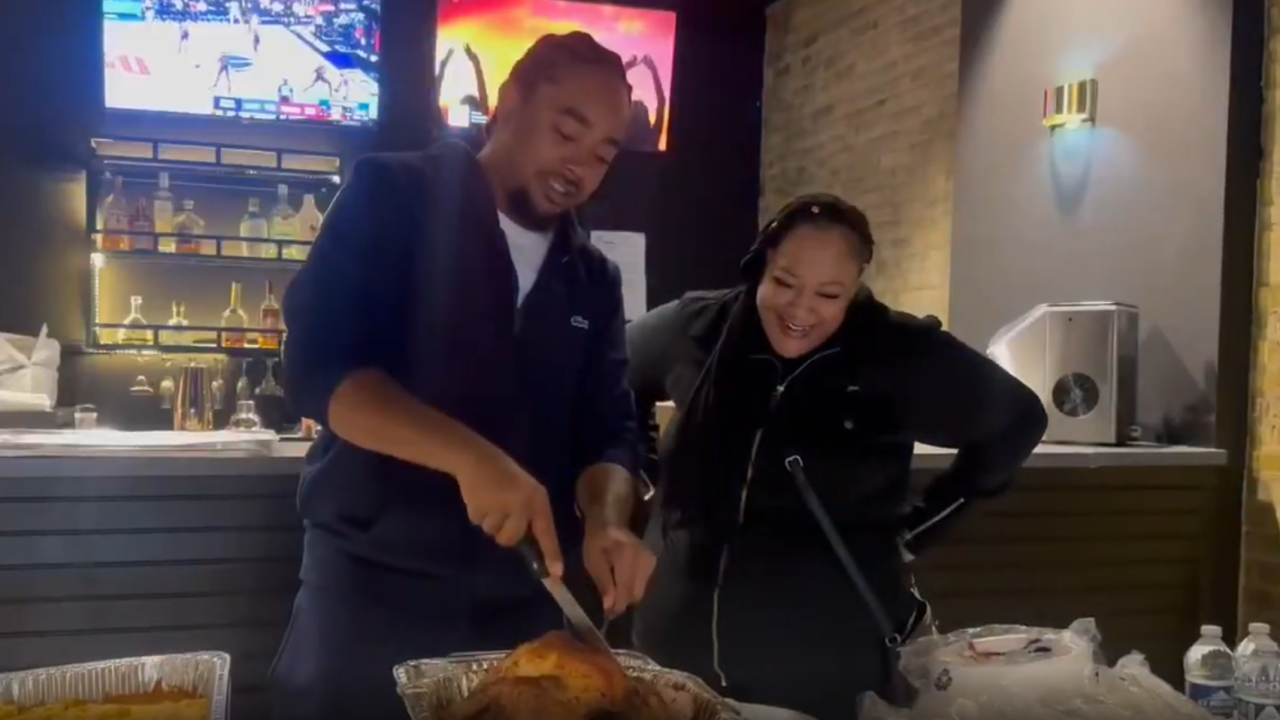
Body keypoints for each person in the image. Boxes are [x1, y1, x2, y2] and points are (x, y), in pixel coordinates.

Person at [267, 32, 656, 720]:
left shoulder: (593, 277)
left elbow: (611, 430)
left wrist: (607, 520)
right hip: (373, 588)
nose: (583, 167)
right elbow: (321, 369)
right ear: (506, 104)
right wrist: (468, 458)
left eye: (603, 154)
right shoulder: (394, 193)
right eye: (569, 131)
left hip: (524, 605)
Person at [626, 194, 1048, 719]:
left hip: (825, 670)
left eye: (829, 294)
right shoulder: (698, 329)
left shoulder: (893, 353)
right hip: (678, 655)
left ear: (855, 290)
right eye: (783, 283)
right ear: (760, 265)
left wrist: (918, 530)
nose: (801, 310)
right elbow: (614, 375)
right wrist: (638, 478)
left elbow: (1019, 419)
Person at [622, 54, 666, 151]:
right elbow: (661, 102)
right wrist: (653, 70)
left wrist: (625, 69)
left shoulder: (621, 135)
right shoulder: (651, 138)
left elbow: (610, 93)